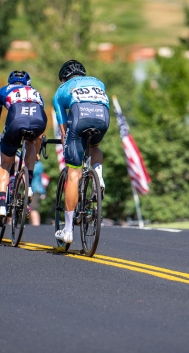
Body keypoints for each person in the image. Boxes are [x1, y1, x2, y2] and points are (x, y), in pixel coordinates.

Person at [53, 60, 110, 244]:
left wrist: (66, 142)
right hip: (102, 118)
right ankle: (98, 176)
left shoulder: (61, 90)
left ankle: (68, 230)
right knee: (94, 147)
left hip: (79, 117)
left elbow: (63, 128)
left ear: (64, 78)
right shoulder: (98, 82)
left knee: (73, 173)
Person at [0, 70, 47, 225]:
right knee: (30, 142)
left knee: (5, 165)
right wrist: (37, 152)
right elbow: (39, 135)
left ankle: (1, 206)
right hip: (38, 124)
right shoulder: (36, 93)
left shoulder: (3, 91)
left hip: (15, 123)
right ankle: (29, 183)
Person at [30, 159, 47, 226]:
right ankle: (32, 225)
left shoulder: (37, 165)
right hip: (35, 189)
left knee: (33, 208)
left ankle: (36, 225)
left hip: (36, 189)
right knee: (31, 209)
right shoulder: (38, 164)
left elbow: (31, 172)